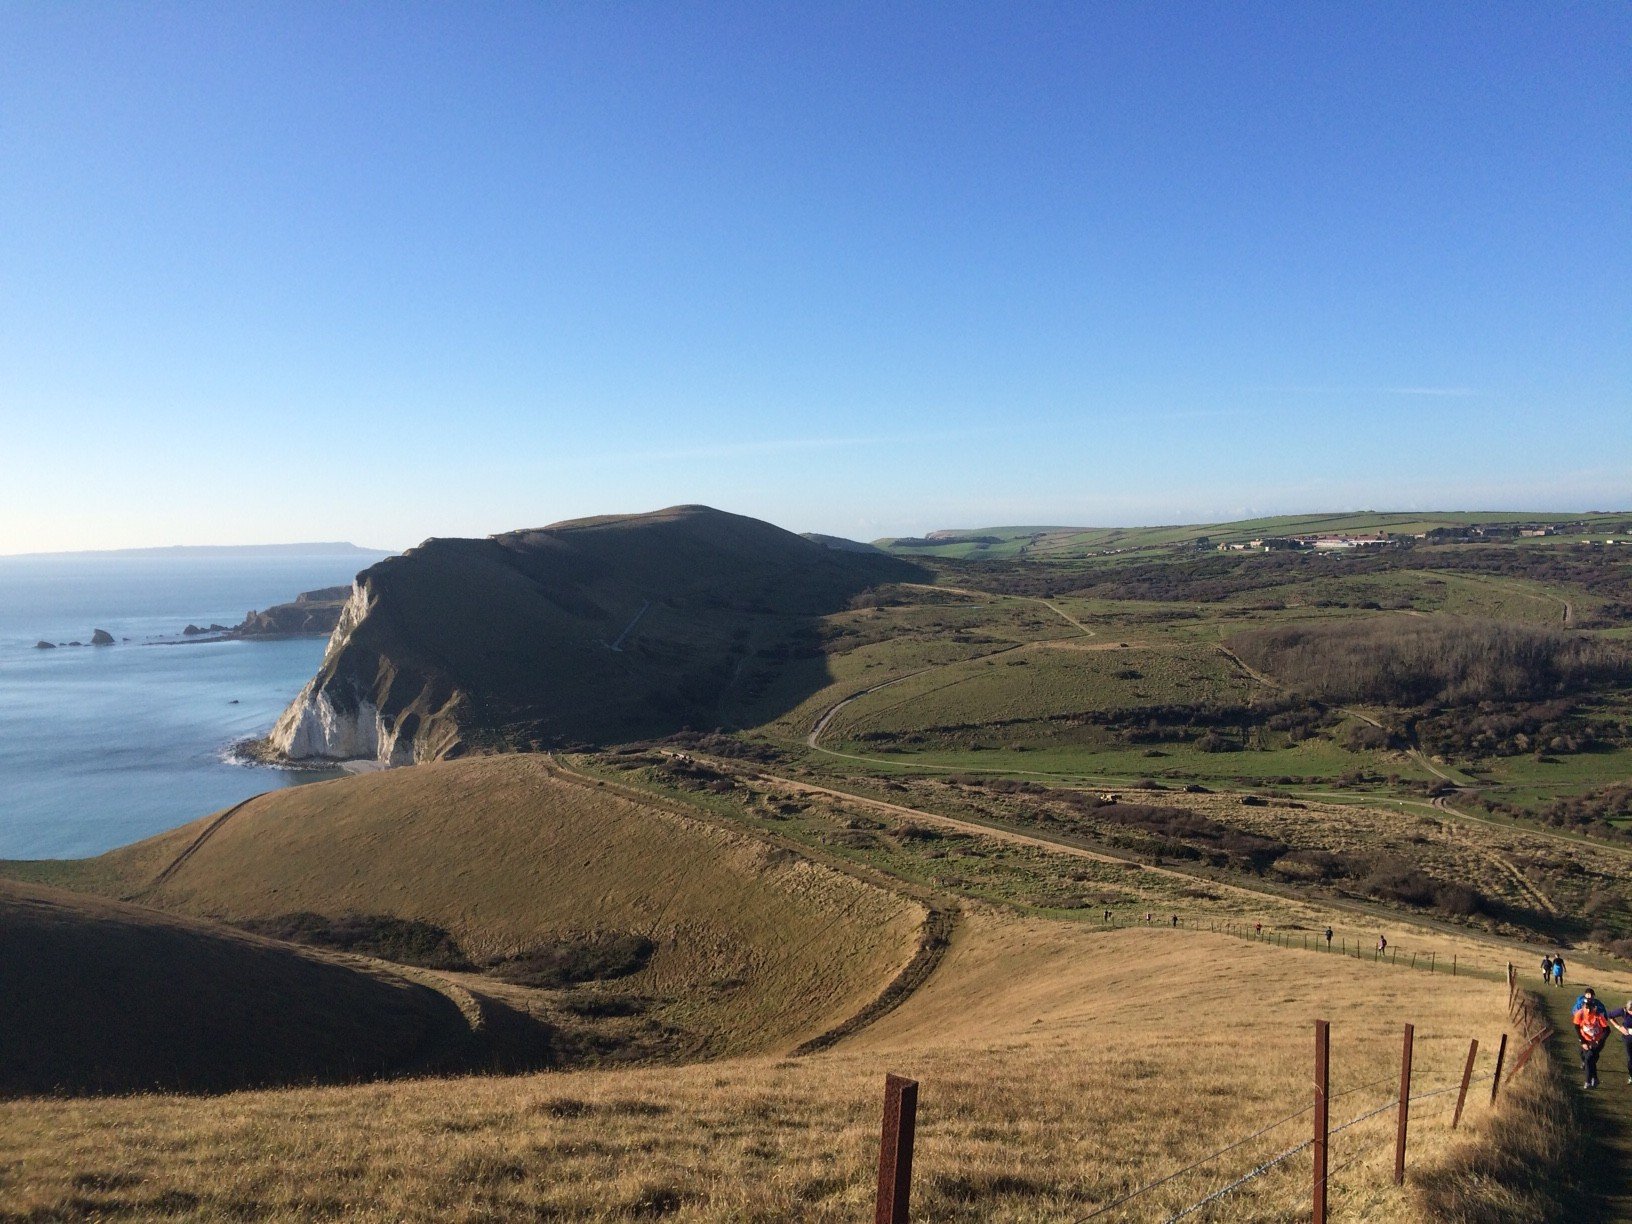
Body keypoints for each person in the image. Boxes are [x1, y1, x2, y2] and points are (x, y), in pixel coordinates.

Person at [1573, 988, 1611, 1088]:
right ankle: (1595, 1078)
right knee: (1586, 1057)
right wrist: (1582, 1041)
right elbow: (1576, 1026)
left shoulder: (1599, 1015)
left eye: (1591, 1008)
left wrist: (1599, 1040)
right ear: (1583, 1007)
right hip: (1585, 1038)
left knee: (1589, 1057)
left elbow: (1607, 1029)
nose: (1588, 1010)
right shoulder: (1579, 1013)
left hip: (1597, 1040)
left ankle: (1588, 1081)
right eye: (1586, 1007)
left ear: (1594, 1007)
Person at [1607, 998, 1632, 1084]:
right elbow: (1609, 1015)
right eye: (1630, 1011)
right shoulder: (1622, 1011)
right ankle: (1631, 1076)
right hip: (1628, 1037)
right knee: (1630, 1059)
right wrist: (1619, 1027)